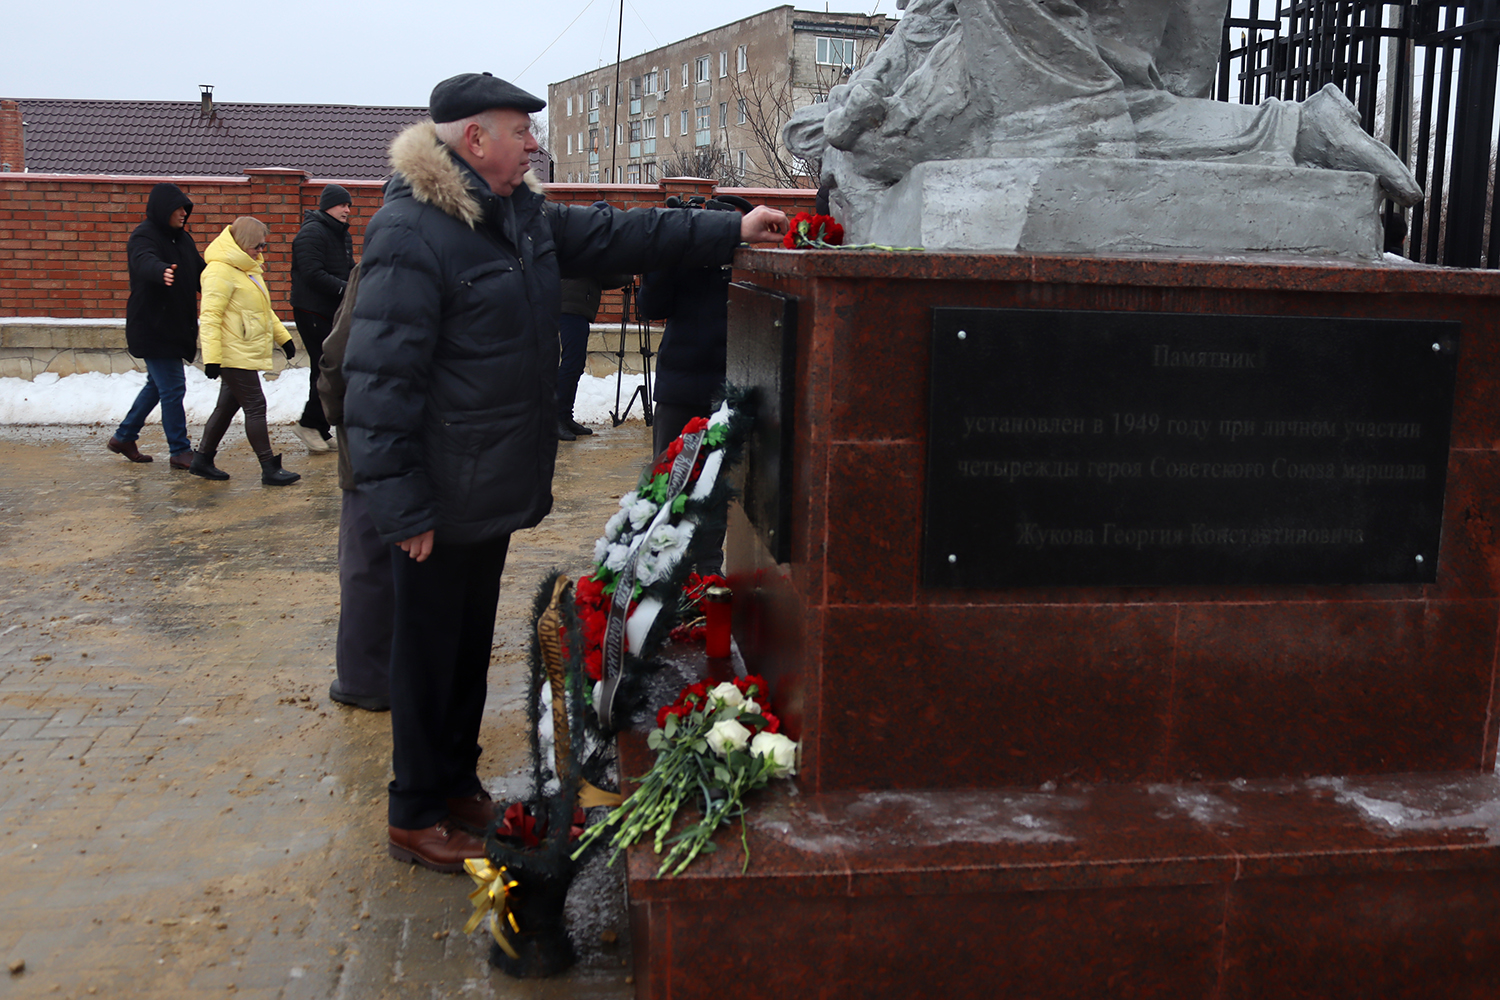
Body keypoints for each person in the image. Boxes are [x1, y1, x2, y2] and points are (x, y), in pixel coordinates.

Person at [342, 71, 788, 873]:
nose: (534, 144)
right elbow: (378, 385)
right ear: (474, 139)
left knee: (465, 648)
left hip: (485, 489)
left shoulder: (515, 216)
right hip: (437, 496)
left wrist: (732, 228)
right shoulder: (411, 232)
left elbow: (622, 235)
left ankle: (455, 784)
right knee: (426, 654)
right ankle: (414, 813)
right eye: (521, 131)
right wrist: (402, 508)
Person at [315, 263, 394, 713]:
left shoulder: (379, 265)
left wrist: (336, 411)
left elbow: (338, 354)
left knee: (367, 557)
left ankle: (365, 677)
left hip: (372, 433)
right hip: (443, 440)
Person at [190, 217, 301, 486]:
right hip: (232, 353)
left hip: (241, 350)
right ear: (243, 243)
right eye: (257, 246)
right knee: (256, 405)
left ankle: (202, 459)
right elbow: (210, 317)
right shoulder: (219, 271)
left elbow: (263, 310)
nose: (261, 251)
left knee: (226, 407)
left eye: (264, 246)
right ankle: (269, 468)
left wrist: (284, 338)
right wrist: (212, 359)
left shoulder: (247, 269)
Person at [109, 183, 205, 470]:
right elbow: (143, 260)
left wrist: (226, 283)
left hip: (175, 326)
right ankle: (179, 450)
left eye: (185, 209)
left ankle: (124, 437)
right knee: (173, 387)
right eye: (178, 208)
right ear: (164, 209)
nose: (183, 213)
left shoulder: (183, 239)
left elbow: (201, 273)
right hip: (153, 326)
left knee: (157, 385)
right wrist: (160, 270)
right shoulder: (144, 235)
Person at [290, 184, 356, 454]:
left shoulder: (341, 234)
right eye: (342, 205)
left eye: (348, 205)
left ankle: (319, 426)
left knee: (331, 367)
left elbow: (348, 268)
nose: (347, 210)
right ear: (328, 205)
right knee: (326, 367)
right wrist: (347, 289)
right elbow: (312, 274)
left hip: (332, 311)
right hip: (312, 311)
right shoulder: (312, 232)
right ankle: (308, 424)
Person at [556, 219, 631, 441]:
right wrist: (629, 274)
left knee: (575, 363)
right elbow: (604, 273)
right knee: (571, 363)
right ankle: (556, 418)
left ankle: (565, 416)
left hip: (575, 308)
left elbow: (601, 278)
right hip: (571, 309)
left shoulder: (583, 243)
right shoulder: (586, 246)